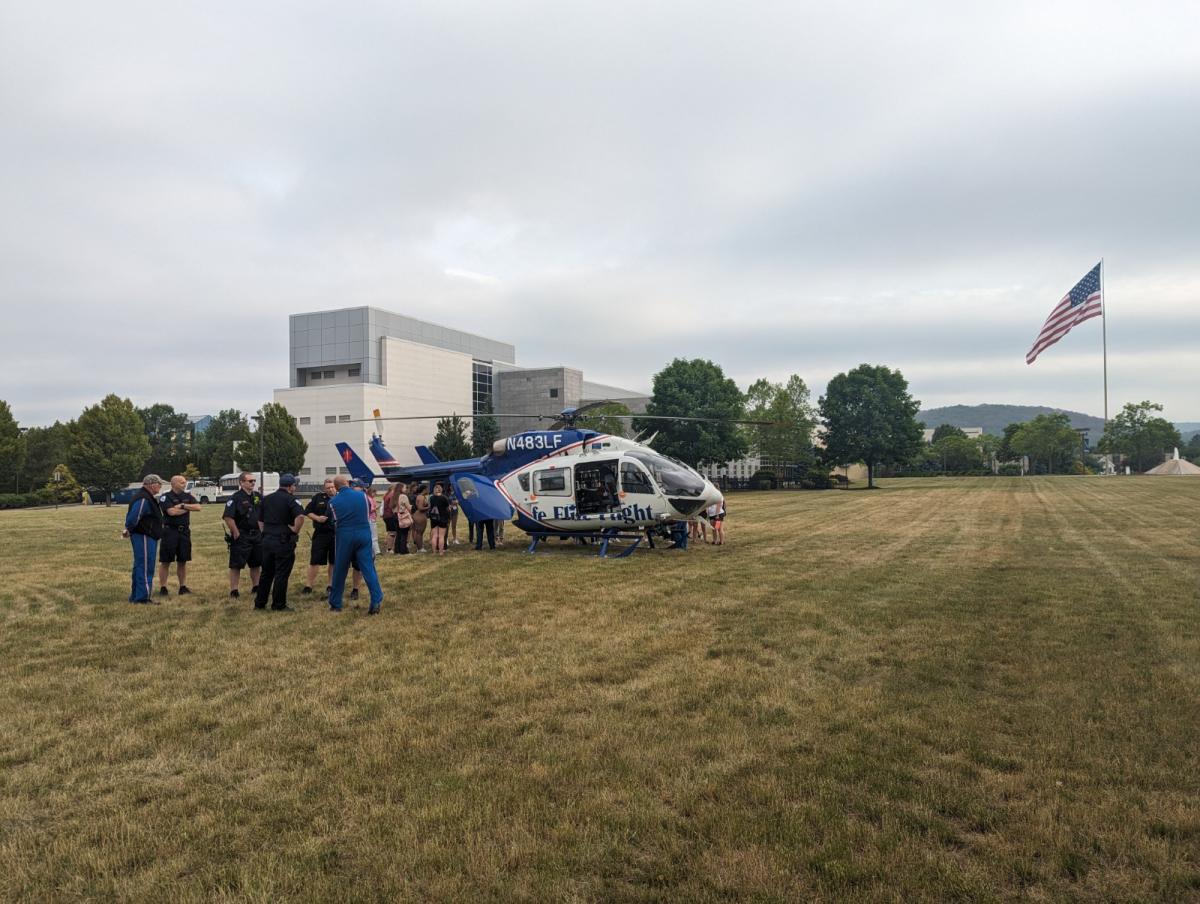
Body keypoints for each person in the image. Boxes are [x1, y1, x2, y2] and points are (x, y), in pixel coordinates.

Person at [327, 475, 383, 615]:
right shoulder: (363, 496)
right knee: (368, 568)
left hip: (345, 535)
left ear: (336, 487)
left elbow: (332, 521)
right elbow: (370, 511)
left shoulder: (333, 501)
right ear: (347, 483)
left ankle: (336, 603)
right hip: (364, 533)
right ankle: (376, 600)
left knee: (340, 569)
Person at [254, 474, 306, 611]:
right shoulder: (292, 500)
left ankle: (260, 603)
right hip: (283, 542)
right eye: (294, 485)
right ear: (290, 487)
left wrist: (265, 532)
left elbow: (260, 520)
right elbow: (300, 516)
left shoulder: (267, 499)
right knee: (281, 574)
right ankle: (278, 605)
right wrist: (295, 530)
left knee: (266, 573)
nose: (295, 488)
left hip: (267, 540)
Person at [157, 475, 200, 596]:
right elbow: (171, 512)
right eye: (181, 482)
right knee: (166, 560)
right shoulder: (166, 497)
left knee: (183, 560)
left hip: (184, 532)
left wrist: (183, 506)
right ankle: (163, 587)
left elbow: (198, 507)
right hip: (170, 531)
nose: (184, 484)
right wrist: (188, 509)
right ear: (173, 484)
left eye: (185, 482)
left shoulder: (187, 496)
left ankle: (182, 587)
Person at [123, 474, 164, 604]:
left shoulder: (147, 497)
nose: (160, 486)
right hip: (144, 535)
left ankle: (136, 596)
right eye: (159, 483)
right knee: (145, 566)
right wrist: (129, 529)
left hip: (146, 535)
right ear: (151, 484)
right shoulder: (143, 498)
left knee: (141, 565)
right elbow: (133, 517)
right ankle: (142, 598)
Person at [223, 472, 263, 599]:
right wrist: (235, 531)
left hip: (256, 534)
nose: (253, 483)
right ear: (241, 482)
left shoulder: (258, 496)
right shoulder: (235, 498)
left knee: (256, 563)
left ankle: (256, 586)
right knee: (236, 564)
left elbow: (262, 514)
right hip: (242, 534)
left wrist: (262, 530)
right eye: (250, 481)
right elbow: (228, 517)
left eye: (254, 481)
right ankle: (234, 589)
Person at [302, 477, 336, 596]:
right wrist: (317, 518)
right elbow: (307, 511)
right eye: (328, 488)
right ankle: (308, 585)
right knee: (315, 560)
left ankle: (331, 585)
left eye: (332, 487)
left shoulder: (340, 498)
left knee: (334, 561)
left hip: (336, 534)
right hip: (321, 533)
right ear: (324, 488)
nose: (330, 489)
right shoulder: (318, 497)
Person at [428, 482, 450, 555]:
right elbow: (448, 508)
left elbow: (430, 507)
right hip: (443, 518)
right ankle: (441, 551)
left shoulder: (431, 498)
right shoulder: (444, 498)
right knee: (441, 536)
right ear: (441, 489)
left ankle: (434, 552)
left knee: (434, 536)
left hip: (434, 518)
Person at [392, 482, 412, 554]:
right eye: (404, 487)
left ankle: (397, 550)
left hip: (395, 516)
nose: (406, 489)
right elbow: (408, 507)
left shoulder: (394, 496)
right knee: (404, 534)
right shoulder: (403, 496)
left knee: (399, 534)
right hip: (402, 517)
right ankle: (404, 551)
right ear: (401, 488)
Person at [382, 483, 402, 553]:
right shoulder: (392, 495)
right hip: (390, 515)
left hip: (386, 516)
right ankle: (390, 549)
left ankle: (389, 548)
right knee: (392, 532)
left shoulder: (386, 494)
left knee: (390, 532)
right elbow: (393, 506)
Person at [410, 483, 429, 552]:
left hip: (419, 515)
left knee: (419, 532)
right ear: (424, 489)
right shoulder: (421, 497)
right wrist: (429, 506)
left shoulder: (420, 496)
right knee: (419, 532)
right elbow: (420, 508)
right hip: (419, 516)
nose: (428, 490)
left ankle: (420, 547)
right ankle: (420, 548)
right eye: (427, 489)